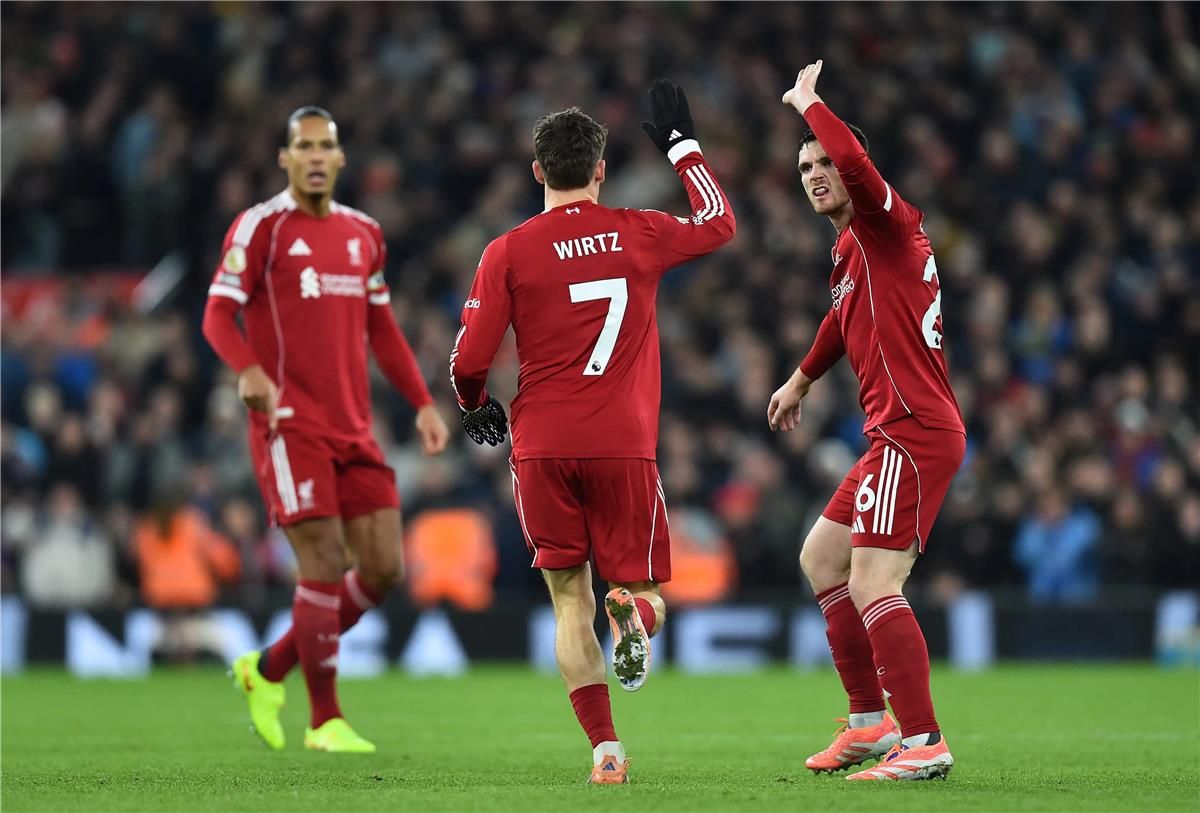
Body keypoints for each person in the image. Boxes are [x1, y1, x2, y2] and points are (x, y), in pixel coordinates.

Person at [448, 80, 735, 783]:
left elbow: (469, 360)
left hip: (543, 446)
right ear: (601, 170)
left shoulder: (508, 251)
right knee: (642, 589)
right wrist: (682, 147)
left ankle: (606, 751)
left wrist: (474, 402)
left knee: (568, 600)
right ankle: (636, 614)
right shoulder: (639, 230)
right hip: (623, 443)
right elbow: (719, 222)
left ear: (537, 170)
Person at [202, 105, 450, 753]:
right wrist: (248, 369)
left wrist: (423, 402)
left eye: (325, 147)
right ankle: (324, 720)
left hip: (354, 427)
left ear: (340, 159)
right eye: (303, 146)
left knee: (384, 567)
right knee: (323, 561)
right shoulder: (261, 227)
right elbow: (216, 316)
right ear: (285, 158)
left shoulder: (364, 234)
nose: (315, 157)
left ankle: (268, 668)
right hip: (290, 425)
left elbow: (383, 329)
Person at [767, 61, 966, 781]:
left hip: (914, 429)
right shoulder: (852, 248)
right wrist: (800, 378)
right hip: (893, 433)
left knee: (875, 581)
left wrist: (809, 104)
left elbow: (854, 160)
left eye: (825, 163)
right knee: (822, 558)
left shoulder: (888, 223)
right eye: (805, 167)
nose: (816, 174)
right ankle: (867, 723)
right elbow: (839, 320)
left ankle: (924, 740)